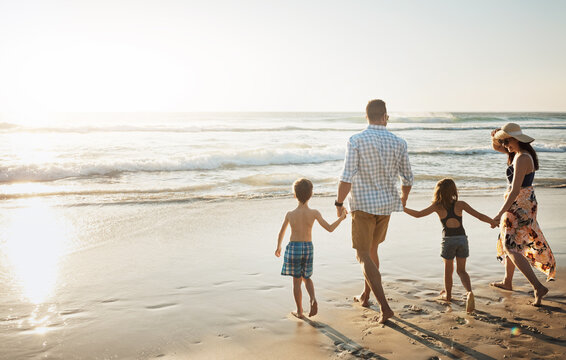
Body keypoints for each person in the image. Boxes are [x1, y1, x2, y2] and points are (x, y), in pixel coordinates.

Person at [335, 99, 413, 324]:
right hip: (386, 205)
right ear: (385, 116)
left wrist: (339, 204)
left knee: (362, 255)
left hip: (363, 205)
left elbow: (346, 176)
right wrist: (403, 199)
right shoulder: (399, 142)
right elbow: (407, 177)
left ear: (366, 116)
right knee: (371, 250)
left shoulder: (356, 140)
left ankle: (385, 307)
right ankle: (366, 295)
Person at [403, 178, 496, 313]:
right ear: (453, 190)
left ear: (438, 192)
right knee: (462, 271)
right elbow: (480, 216)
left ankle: (448, 295)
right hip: (462, 239)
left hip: (448, 240)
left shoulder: (437, 206)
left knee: (448, 271)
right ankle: (469, 292)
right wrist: (492, 222)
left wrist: (403, 208)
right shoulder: (460, 204)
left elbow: (418, 214)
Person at [490, 123, 556, 306]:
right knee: (509, 242)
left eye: (507, 140)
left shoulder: (521, 158)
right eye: (504, 141)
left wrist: (498, 214)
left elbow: (514, 190)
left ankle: (538, 287)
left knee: (511, 247)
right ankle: (507, 281)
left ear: (517, 139)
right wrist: (495, 136)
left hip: (520, 205)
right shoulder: (517, 154)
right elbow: (496, 147)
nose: (505, 145)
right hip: (523, 203)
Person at [275, 178, 347, 319]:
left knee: (296, 281)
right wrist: (342, 218)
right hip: (308, 247)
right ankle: (313, 298)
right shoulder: (314, 213)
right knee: (306, 278)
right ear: (311, 194)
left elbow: (281, 232)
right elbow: (330, 228)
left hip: (294, 248)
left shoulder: (290, 214)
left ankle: (300, 311)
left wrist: (278, 246)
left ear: (295, 195)